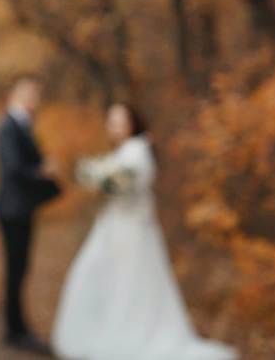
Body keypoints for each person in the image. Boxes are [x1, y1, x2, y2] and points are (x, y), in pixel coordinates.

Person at [51, 104, 238, 360]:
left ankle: (126, 335)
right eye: (111, 121)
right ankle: (103, 330)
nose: (114, 126)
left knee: (126, 282)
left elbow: (130, 190)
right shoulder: (122, 152)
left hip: (131, 231)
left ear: (132, 123)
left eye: (119, 121)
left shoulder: (137, 152)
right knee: (96, 275)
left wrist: (106, 182)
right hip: (112, 227)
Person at [0, 76, 62, 356]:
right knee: (15, 270)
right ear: (16, 93)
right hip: (12, 209)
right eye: (30, 92)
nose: (35, 97)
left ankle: (17, 327)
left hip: (20, 208)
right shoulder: (8, 127)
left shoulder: (21, 125)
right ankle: (14, 330)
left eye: (37, 92)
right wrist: (42, 171)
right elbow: (13, 169)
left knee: (20, 269)